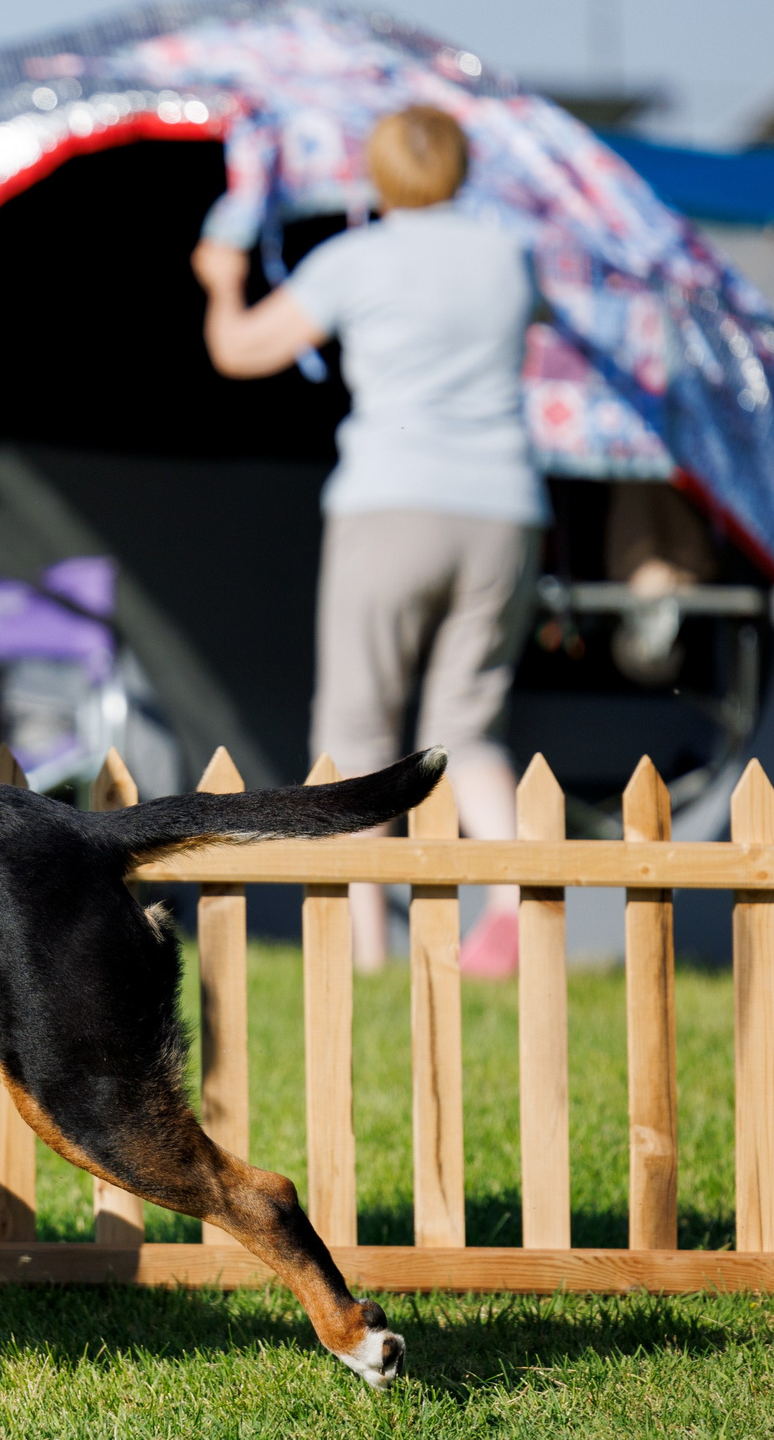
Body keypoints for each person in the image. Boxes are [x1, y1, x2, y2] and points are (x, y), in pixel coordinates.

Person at [195, 104, 544, 976]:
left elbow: (240, 354)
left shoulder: (357, 260)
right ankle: (515, 911)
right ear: (462, 169)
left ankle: (368, 949)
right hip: (505, 508)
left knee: (357, 723)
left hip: (391, 502)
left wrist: (220, 278)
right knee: (474, 723)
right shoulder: (510, 258)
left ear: (373, 175)